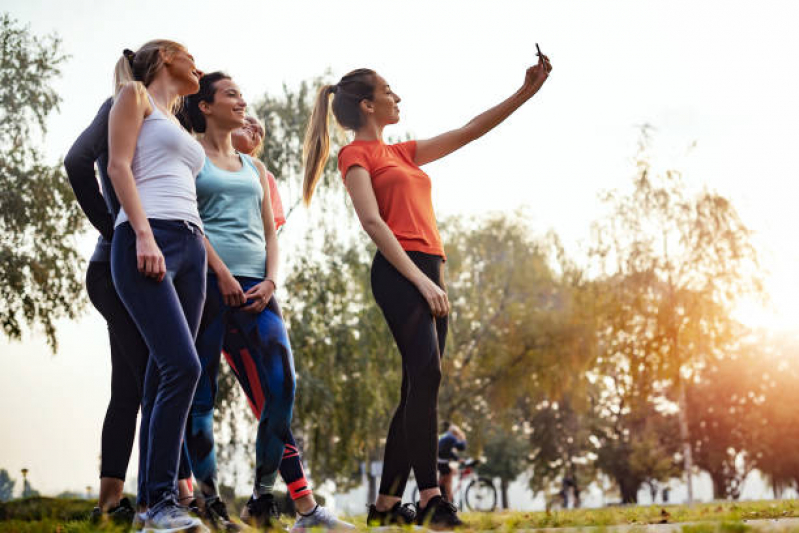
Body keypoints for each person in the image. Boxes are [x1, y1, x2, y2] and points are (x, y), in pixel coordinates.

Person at [302, 52, 551, 529]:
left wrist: (524, 93)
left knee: (417, 387)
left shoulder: (402, 152)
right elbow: (372, 222)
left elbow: (469, 130)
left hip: (430, 268)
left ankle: (386, 508)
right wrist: (418, 280)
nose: (397, 96)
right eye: (388, 90)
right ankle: (434, 500)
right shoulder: (355, 155)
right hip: (400, 273)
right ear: (368, 106)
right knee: (428, 377)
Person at [180, 72, 353, 532]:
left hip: (260, 290)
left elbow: (269, 235)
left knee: (282, 387)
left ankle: (264, 497)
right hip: (207, 289)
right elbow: (190, 224)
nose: (242, 101)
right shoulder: (189, 155)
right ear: (205, 106)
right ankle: (211, 506)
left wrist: (272, 282)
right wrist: (220, 275)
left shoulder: (255, 169)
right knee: (201, 398)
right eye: (232, 94)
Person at [107, 39, 208, 533]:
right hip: (149, 239)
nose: (199, 64)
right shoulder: (135, 97)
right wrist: (144, 234)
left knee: (162, 376)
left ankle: (151, 509)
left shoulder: (177, 121)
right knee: (182, 367)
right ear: (167, 57)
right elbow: (117, 166)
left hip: (192, 247)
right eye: (191, 54)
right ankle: (163, 500)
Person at [231, 116, 286, 231]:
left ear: (255, 149)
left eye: (260, 133)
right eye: (248, 121)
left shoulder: (265, 178)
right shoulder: (201, 157)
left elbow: (269, 231)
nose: (255, 127)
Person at [437, 424, 466, 503]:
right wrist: (463, 438)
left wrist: (458, 459)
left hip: (439, 461)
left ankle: (446, 499)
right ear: (456, 432)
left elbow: (447, 451)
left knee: (445, 481)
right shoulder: (452, 437)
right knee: (448, 482)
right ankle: (448, 501)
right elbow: (462, 447)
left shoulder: (445, 436)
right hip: (443, 462)